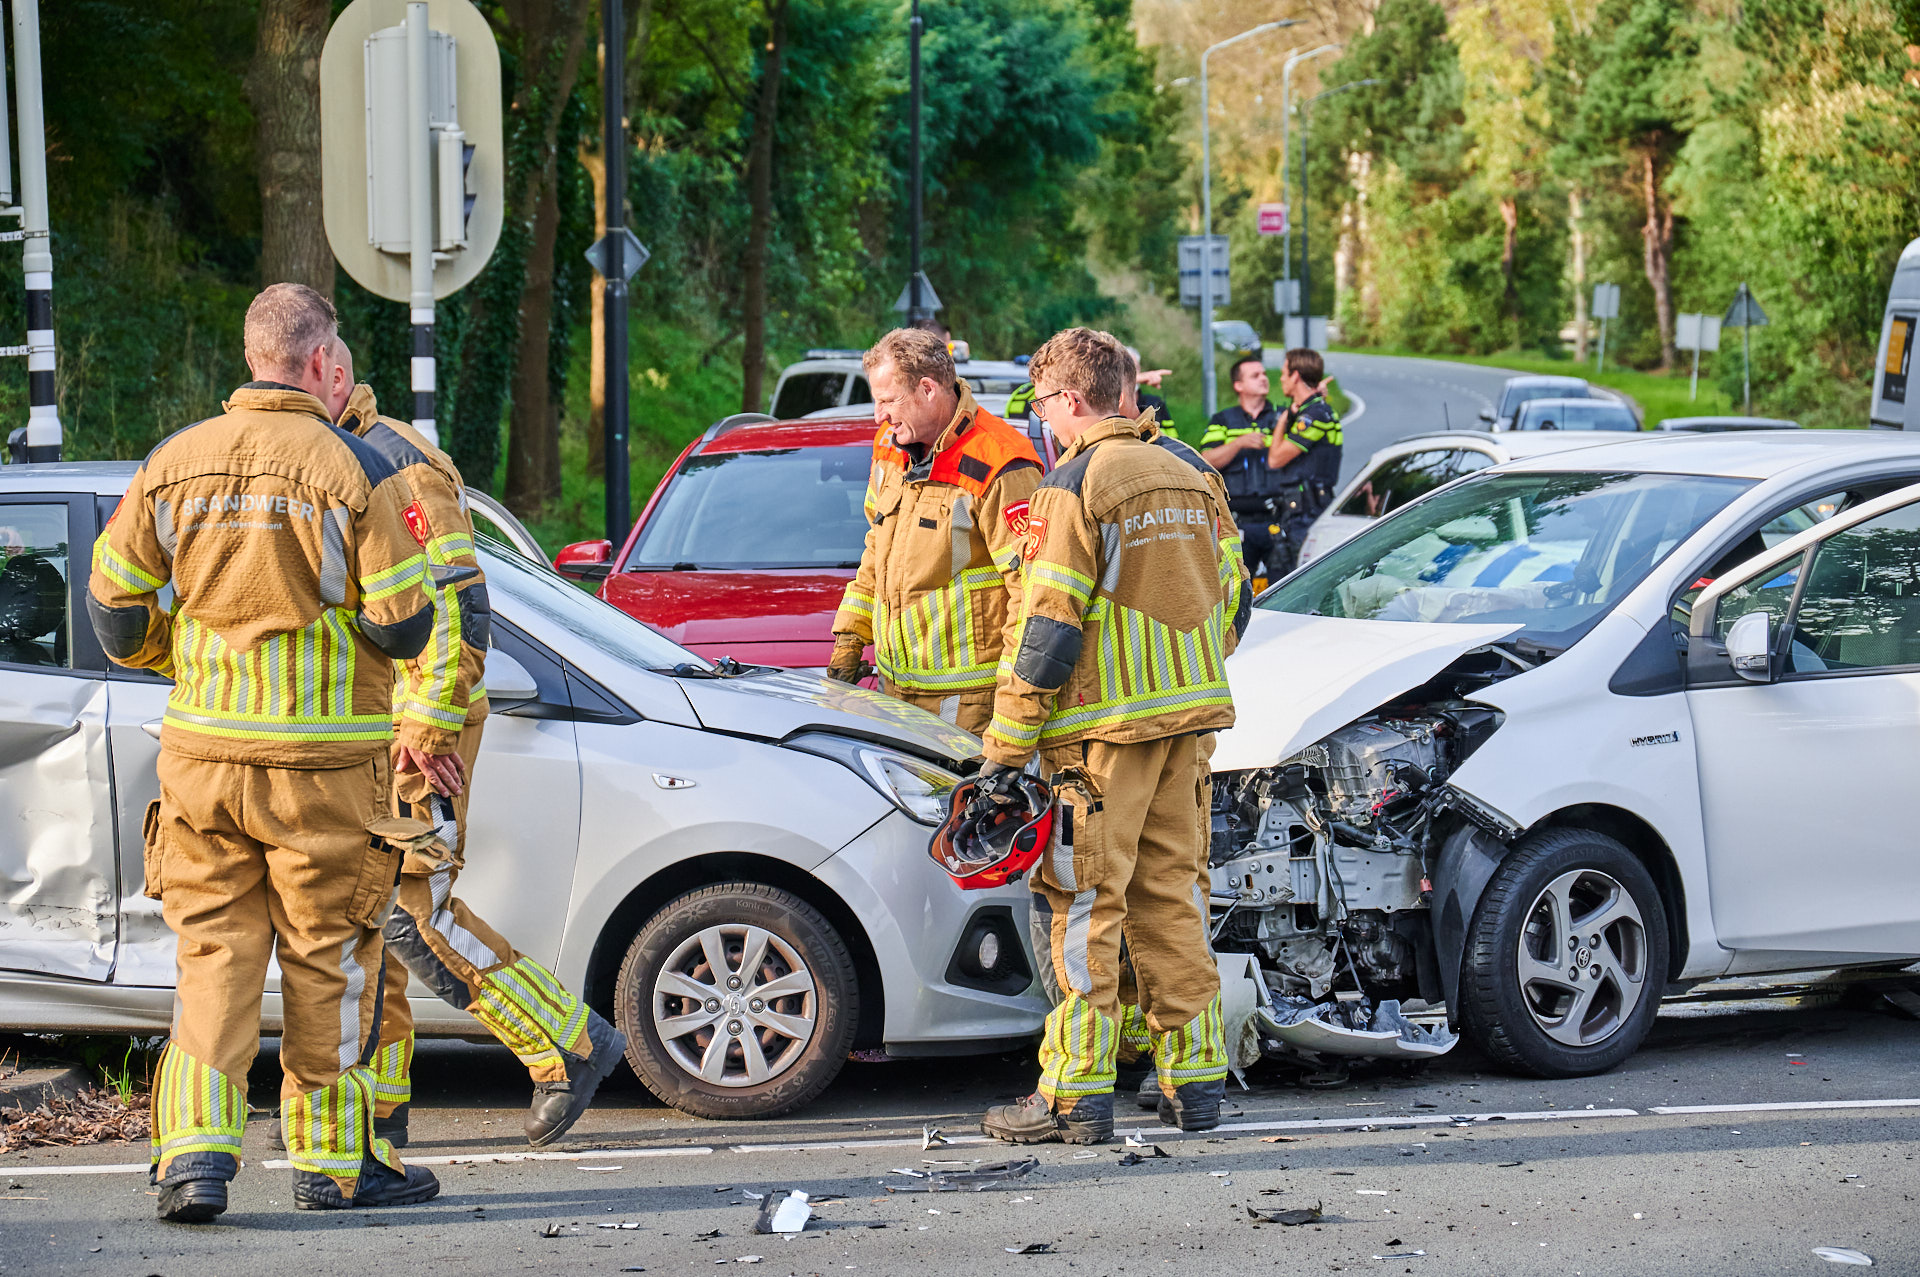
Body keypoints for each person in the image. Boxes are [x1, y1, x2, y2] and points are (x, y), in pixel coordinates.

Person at [87, 283, 443, 1220]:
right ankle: (331, 1165)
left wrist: (189, 655)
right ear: (324, 364)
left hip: (203, 762)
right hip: (322, 772)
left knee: (212, 954)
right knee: (326, 959)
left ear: (252, 358)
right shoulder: (359, 468)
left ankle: (195, 1160)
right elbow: (407, 627)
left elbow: (115, 612)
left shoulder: (173, 462)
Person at [329, 381, 627, 1151]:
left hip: (412, 726)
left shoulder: (394, 460)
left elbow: (461, 598)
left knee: (411, 915)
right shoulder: (341, 453)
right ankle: (381, 1106)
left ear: (330, 372)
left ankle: (568, 1043)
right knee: (379, 924)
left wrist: (431, 721)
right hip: (377, 724)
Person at [977, 328, 1245, 1146]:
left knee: (1085, 905)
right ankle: (1194, 1082)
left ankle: (1073, 1092)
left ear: (1068, 401)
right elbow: (1233, 601)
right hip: (1190, 725)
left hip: (1101, 740)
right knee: (1175, 899)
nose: (1043, 422)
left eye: (1043, 406)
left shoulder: (1074, 483)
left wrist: (1005, 746)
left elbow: (1048, 627)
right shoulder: (1195, 473)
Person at [828, 328, 1041, 735]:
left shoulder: (1000, 461)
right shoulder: (890, 445)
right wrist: (849, 639)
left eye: (888, 401)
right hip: (894, 694)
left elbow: (1030, 592)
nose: (879, 416)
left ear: (927, 388)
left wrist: (1017, 701)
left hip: (968, 704)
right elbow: (876, 549)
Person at [1199, 355, 1286, 581]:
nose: (1263, 379)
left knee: (1284, 584)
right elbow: (1205, 460)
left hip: (1279, 519)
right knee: (1236, 587)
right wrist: (1238, 443)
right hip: (1238, 524)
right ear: (1239, 385)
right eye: (1255, 375)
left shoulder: (1283, 417)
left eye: (1264, 374)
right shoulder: (1223, 420)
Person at [1263, 347, 1344, 574]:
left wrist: (1284, 417)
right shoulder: (1310, 411)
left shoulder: (1313, 415)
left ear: (1296, 376)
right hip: (1301, 510)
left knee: (1295, 579)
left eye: (1284, 373)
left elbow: (1275, 459)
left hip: (1306, 514)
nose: (1280, 379)